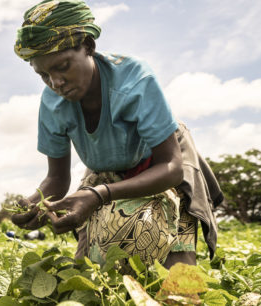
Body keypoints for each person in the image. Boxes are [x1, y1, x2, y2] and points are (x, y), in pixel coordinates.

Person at [11, 0, 223, 269]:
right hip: (106, 172)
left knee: (175, 280)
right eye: (43, 75)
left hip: (160, 165)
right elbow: (56, 178)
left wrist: (99, 195)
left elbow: (171, 167)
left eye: (63, 66)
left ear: (88, 46)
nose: (56, 83)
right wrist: (36, 203)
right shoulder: (53, 103)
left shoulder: (135, 79)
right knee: (94, 271)